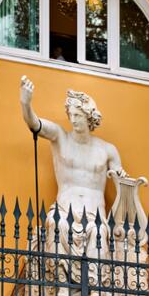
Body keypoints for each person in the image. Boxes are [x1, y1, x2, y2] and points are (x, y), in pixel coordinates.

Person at [19, 75, 127, 260]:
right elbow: (34, 124)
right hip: (64, 211)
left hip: (95, 216)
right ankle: (60, 278)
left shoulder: (107, 150)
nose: (73, 120)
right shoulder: (60, 137)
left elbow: (122, 191)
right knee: (56, 224)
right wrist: (25, 103)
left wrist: (121, 178)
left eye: (78, 115)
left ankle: (94, 279)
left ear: (89, 116)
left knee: (98, 234)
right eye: (71, 115)